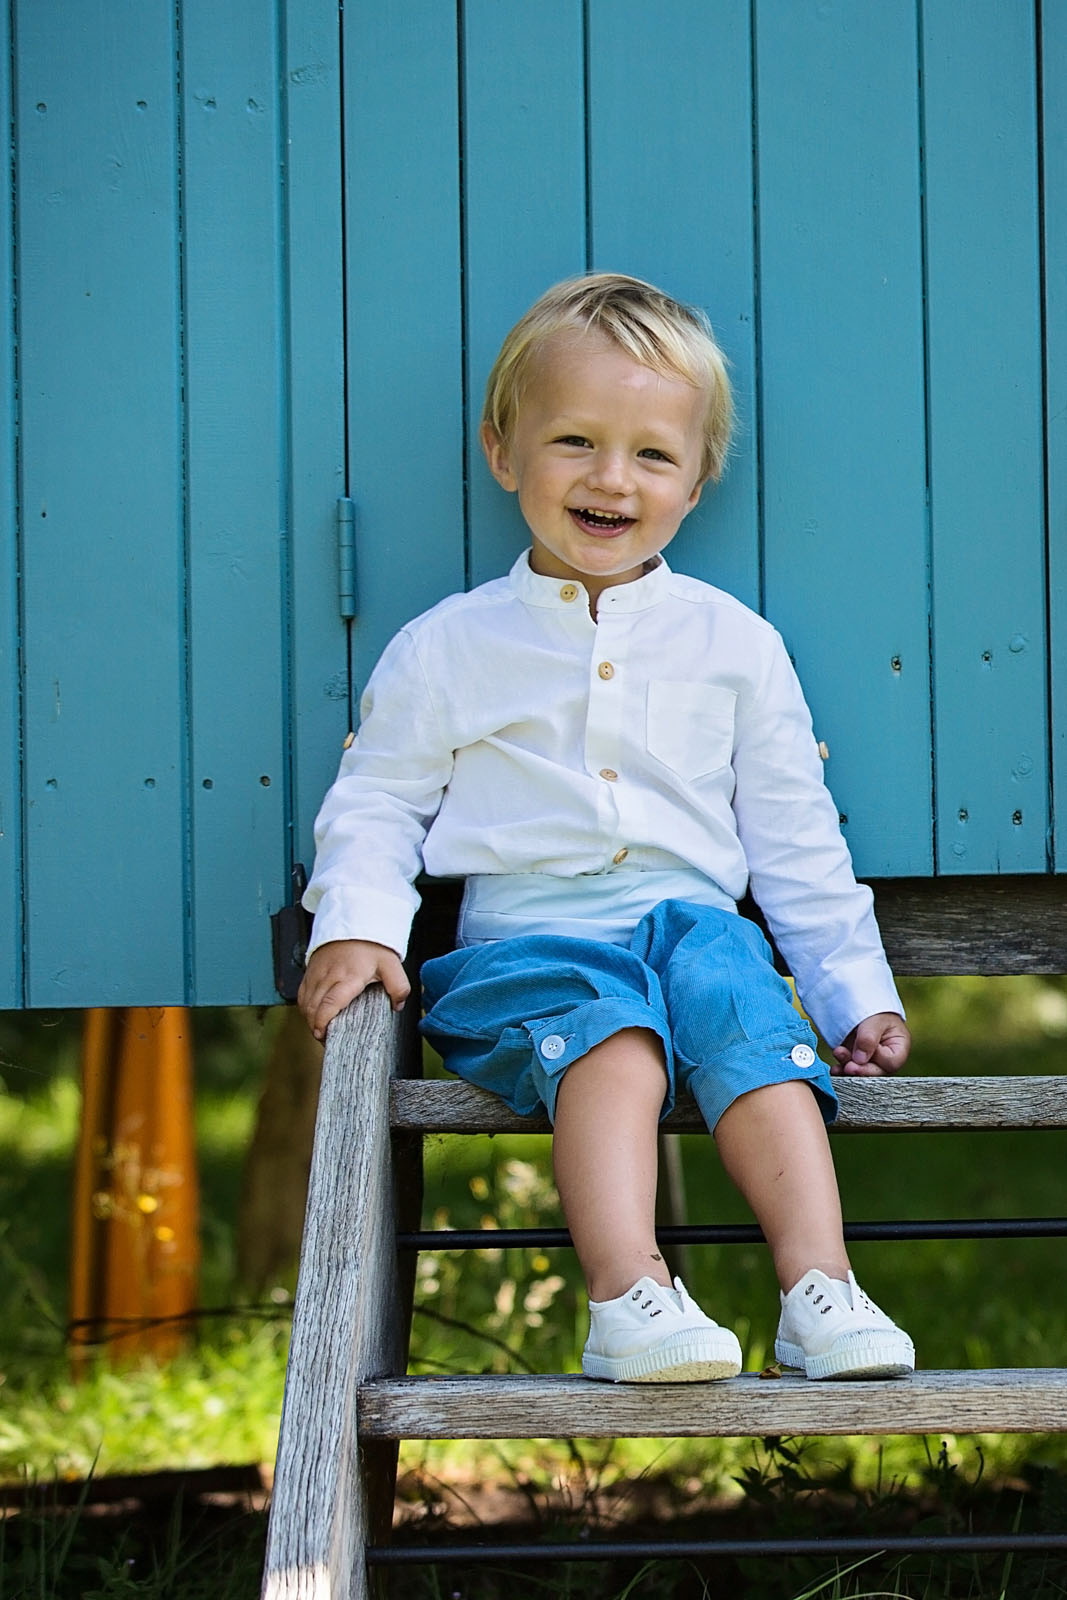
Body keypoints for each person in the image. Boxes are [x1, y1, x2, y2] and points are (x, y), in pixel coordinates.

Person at [298, 273, 915, 1385]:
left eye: (649, 454)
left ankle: (819, 1289)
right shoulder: (448, 647)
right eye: (574, 441)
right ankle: (629, 1294)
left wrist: (849, 992)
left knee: (745, 1012)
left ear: (696, 478)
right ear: (502, 450)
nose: (609, 478)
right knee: (611, 1033)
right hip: (521, 949)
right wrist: (355, 925)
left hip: (691, 929)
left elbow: (792, 834)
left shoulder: (733, 645)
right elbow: (380, 796)